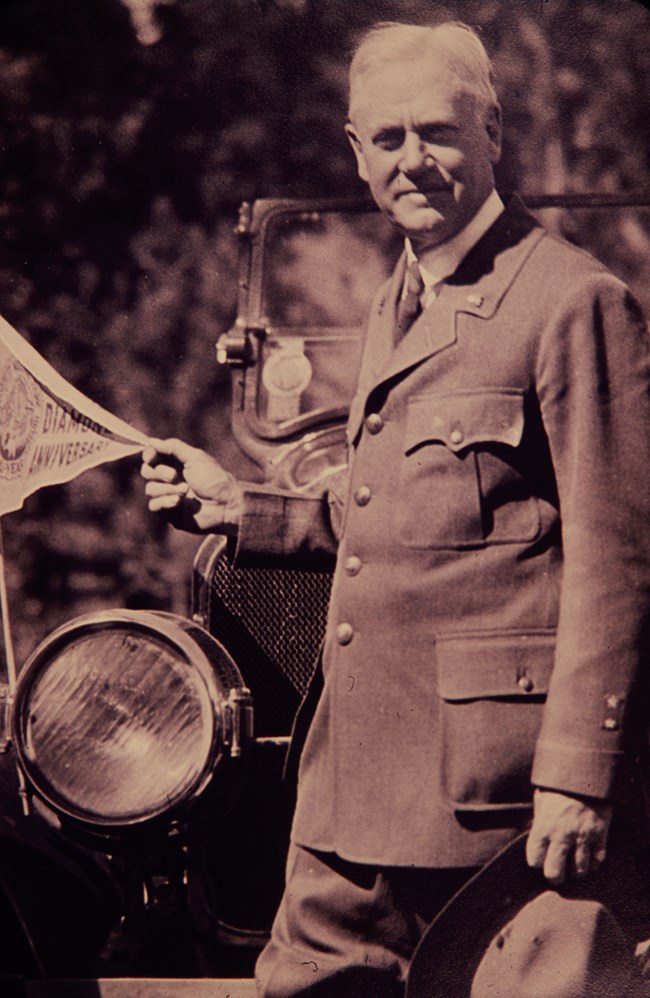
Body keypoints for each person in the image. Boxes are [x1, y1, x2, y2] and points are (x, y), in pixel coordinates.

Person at [141, 20, 650, 998]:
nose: (411, 161)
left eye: (436, 133)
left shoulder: (570, 299)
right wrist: (238, 509)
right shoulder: (395, 300)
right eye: (386, 139)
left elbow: (614, 560)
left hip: (499, 805)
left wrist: (578, 773)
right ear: (354, 152)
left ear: (491, 133)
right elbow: (400, 519)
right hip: (350, 784)